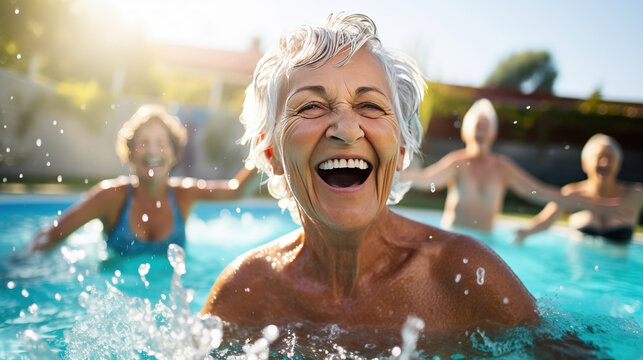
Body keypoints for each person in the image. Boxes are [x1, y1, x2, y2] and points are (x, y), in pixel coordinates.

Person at [201, 13, 538, 336]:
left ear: (402, 148)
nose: (347, 130)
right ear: (270, 153)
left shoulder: (468, 276)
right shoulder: (244, 294)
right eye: (311, 106)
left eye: (371, 106)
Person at [28, 104, 256, 255]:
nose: (152, 150)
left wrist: (268, 149)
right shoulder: (109, 197)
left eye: (161, 143)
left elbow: (236, 191)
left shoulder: (184, 194)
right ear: (129, 153)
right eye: (143, 143)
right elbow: (50, 236)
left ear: (175, 154)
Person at [401, 98, 613, 233]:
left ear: (493, 132)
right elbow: (426, 179)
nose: (480, 131)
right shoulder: (458, 162)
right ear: (466, 131)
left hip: (485, 244)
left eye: (485, 126)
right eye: (476, 126)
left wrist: (588, 202)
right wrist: (396, 173)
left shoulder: (503, 168)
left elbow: (538, 191)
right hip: (452, 238)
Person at [516, 134, 642, 244]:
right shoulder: (572, 194)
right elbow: (544, 221)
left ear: (618, 164)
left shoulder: (635, 194)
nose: (605, 163)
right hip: (580, 267)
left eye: (610, 158)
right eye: (599, 157)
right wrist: (524, 233)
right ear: (585, 163)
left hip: (619, 270)